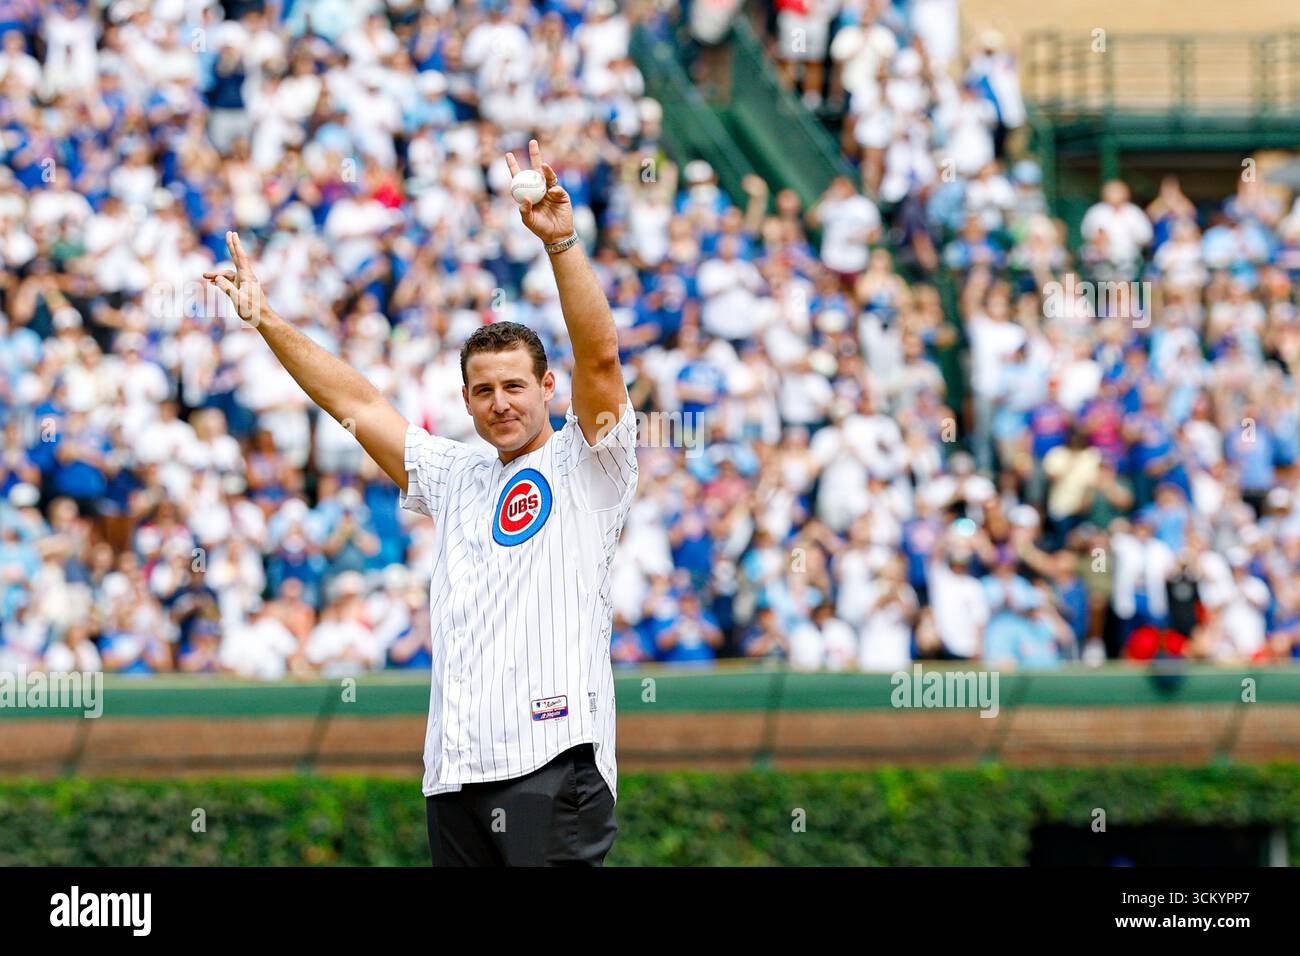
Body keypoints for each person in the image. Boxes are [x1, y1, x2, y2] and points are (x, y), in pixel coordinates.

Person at [203, 140, 637, 867]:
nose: (500, 403)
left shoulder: (587, 461)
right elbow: (358, 403)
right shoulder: (456, 473)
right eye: (483, 390)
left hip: (553, 759)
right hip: (455, 769)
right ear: (466, 399)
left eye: (514, 386)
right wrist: (267, 322)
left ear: (546, 388)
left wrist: (560, 243)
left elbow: (601, 359)